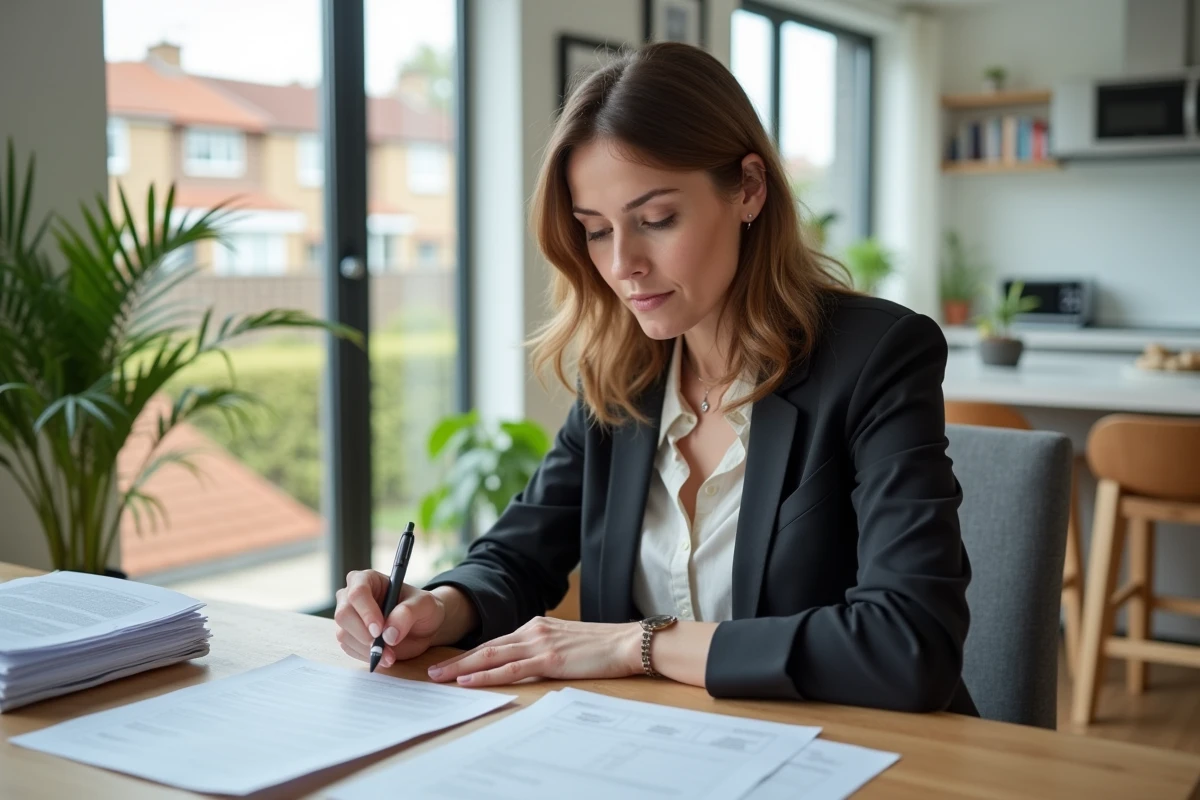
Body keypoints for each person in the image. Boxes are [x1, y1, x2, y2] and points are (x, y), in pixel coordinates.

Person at [334, 42, 977, 716]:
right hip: (661, 752)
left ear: (750, 188)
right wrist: (436, 607)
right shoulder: (623, 376)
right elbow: (519, 557)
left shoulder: (877, 356)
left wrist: (638, 646)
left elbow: (911, 644)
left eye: (657, 220)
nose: (623, 265)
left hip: (863, 756)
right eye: (596, 230)